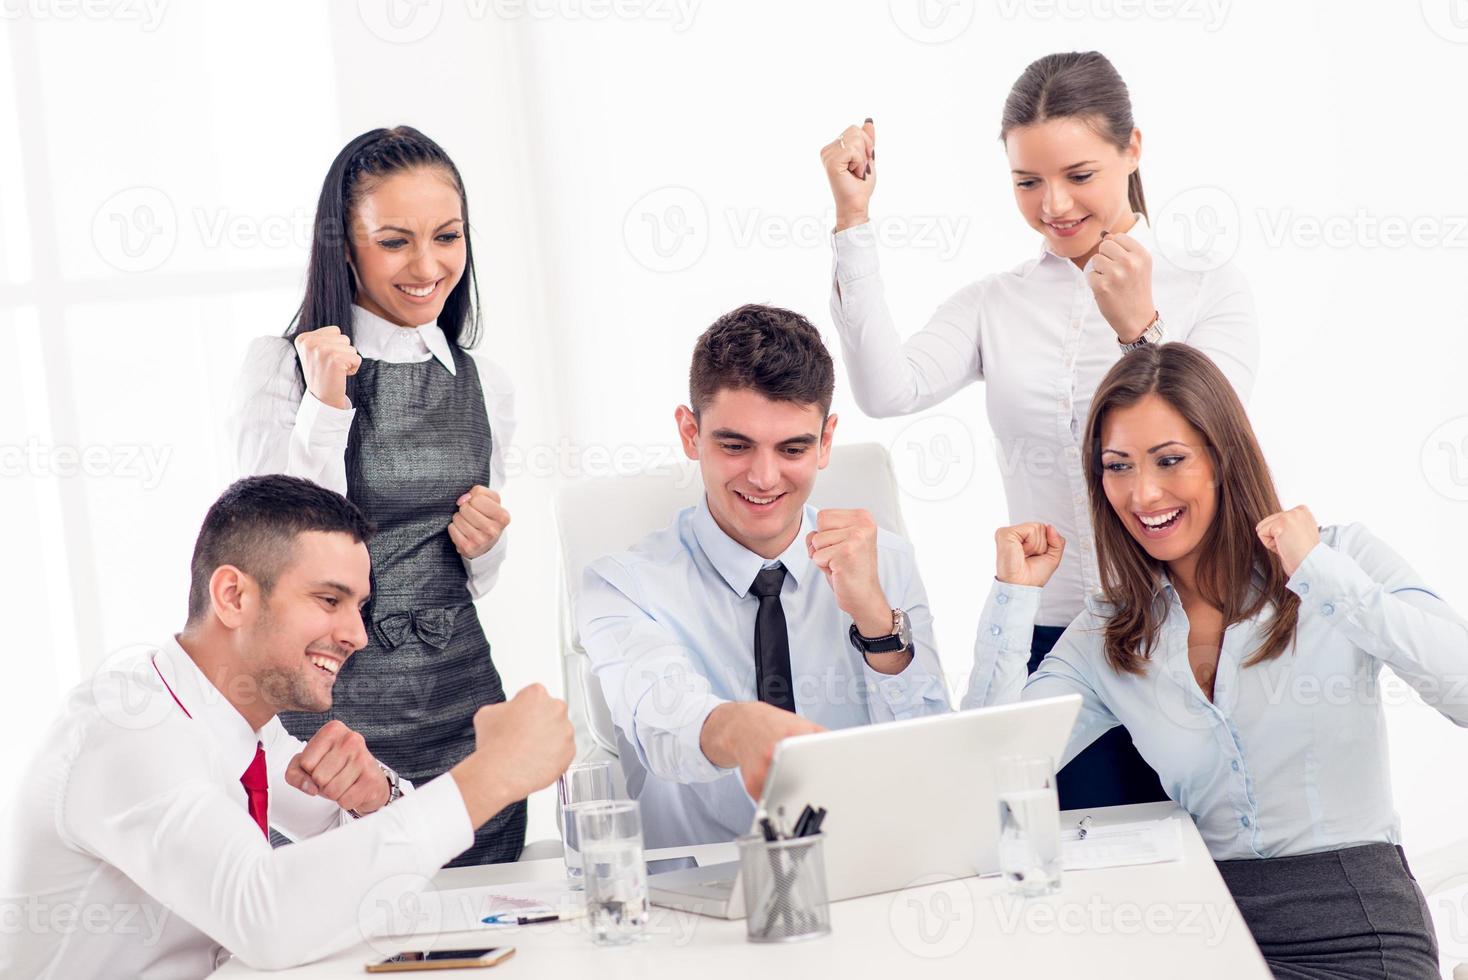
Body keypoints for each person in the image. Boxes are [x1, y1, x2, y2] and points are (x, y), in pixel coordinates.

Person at [819, 51, 1259, 809]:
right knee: (1061, 871)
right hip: (1056, 638)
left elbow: (1211, 445)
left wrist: (1140, 332)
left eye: (1079, 175)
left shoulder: (1207, 285)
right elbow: (887, 390)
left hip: (1196, 632)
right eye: (1027, 182)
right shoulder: (997, 302)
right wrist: (853, 223)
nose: (1052, 204)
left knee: (1210, 871)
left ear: (1133, 150)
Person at [964, 344, 1455, 977]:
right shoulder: (1110, 631)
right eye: (1118, 467)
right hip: (1204, 930)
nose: (1143, 493)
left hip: (1357, 926)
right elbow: (986, 777)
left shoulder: (1341, 560)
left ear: (1223, 459)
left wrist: (1322, 578)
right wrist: (1014, 598)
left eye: (1170, 460)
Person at [0, 476, 575, 979]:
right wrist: (491, 776)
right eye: (330, 600)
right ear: (233, 596)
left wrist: (375, 798)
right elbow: (267, 915)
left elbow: (352, 874)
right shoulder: (130, 729)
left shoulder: (244, 726)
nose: (357, 635)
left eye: (359, 608)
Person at [231, 126, 524, 864]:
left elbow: (474, 580)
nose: (428, 267)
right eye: (395, 242)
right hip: (335, 730)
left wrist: (486, 545)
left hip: (461, 710)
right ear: (345, 246)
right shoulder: (281, 369)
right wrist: (327, 405)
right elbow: (276, 558)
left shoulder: (486, 382)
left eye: (447, 237)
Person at [576, 304, 950, 848]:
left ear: (825, 443)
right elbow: (663, 721)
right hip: (699, 903)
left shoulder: (884, 561)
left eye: (793, 448)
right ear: (689, 432)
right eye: (735, 445)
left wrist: (874, 618)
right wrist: (745, 731)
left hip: (860, 878)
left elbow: (932, 753)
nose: (764, 477)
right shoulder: (621, 586)